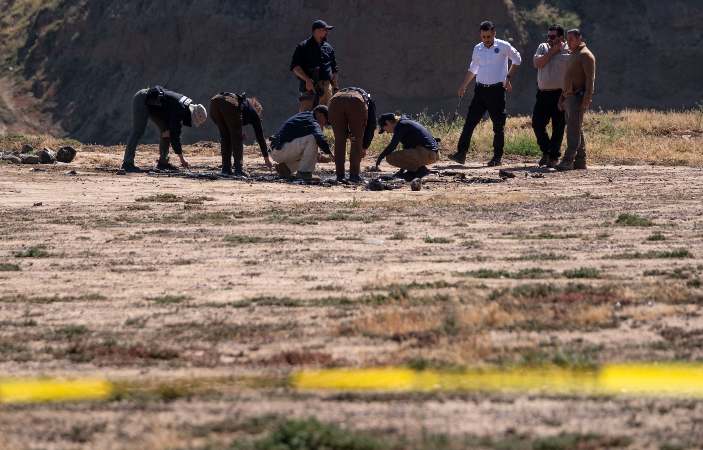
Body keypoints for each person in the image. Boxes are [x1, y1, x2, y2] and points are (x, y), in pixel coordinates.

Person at [449, 20, 522, 167]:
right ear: (480, 35)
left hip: (496, 91)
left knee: (498, 126)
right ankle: (461, 154)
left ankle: (497, 158)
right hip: (480, 91)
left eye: (488, 36)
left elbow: (517, 60)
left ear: (494, 33)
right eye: (483, 37)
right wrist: (463, 85)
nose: (486, 40)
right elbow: (473, 68)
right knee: (469, 123)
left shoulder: (503, 46)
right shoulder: (478, 48)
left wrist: (507, 78)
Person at [122, 86, 207, 173]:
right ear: (192, 114)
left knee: (167, 131)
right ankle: (127, 163)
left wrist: (170, 132)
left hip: (155, 105)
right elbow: (175, 136)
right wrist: (182, 159)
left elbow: (174, 129)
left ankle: (163, 163)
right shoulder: (180, 108)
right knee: (138, 131)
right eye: (193, 119)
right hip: (143, 99)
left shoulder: (185, 105)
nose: (191, 121)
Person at [556, 29, 596, 171]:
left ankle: (568, 160)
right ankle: (580, 160)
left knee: (573, 130)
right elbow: (568, 78)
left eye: (572, 39)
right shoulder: (573, 54)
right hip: (569, 97)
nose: (569, 42)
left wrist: (586, 100)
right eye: (568, 39)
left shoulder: (586, 55)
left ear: (579, 38)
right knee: (576, 128)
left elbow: (590, 81)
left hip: (578, 98)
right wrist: (562, 97)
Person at [532, 24, 570, 168]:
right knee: (537, 123)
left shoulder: (568, 50)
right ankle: (547, 151)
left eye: (553, 37)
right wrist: (552, 52)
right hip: (543, 93)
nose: (549, 39)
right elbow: (537, 63)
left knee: (558, 126)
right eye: (548, 36)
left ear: (561, 37)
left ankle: (553, 157)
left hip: (560, 94)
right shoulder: (543, 47)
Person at [209, 92, 272, 176]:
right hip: (229, 102)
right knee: (237, 138)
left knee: (225, 137)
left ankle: (226, 169)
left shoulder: (244, 105)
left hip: (214, 103)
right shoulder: (254, 112)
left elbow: (233, 121)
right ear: (257, 109)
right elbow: (260, 136)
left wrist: (236, 131)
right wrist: (266, 158)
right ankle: (239, 169)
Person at [269, 105, 332, 181]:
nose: (324, 124)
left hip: (277, 149)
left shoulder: (305, 115)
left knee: (313, 151)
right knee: (313, 138)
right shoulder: (313, 121)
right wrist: (330, 153)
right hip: (280, 149)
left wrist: (318, 155)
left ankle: (286, 168)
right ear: (320, 115)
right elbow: (319, 138)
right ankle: (304, 173)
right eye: (326, 121)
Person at [328, 87, 377, 183]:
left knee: (339, 140)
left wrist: (345, 133)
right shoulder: (369, 99)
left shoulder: (342, 93)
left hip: (334, 100)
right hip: (356, 101)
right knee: (356, 140)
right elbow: (372, 125)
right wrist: (364, 146)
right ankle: (354, 175)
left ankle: (339, 175)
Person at [290, 20, 339, 112]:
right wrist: (307, 79)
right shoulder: (303, 47)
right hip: (310, 88)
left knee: (327, 117)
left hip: (327, 88)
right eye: (324, 30)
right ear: (316, 31)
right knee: (306, 116)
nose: (326, 32)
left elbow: (334, 69)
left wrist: (335, 87)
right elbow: (295, 67)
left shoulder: (328, 47)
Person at [374, 113, 439, 180]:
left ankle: (421, 170)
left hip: (426, 153)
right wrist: (401, 171)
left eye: (384, 129)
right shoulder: (406, 123)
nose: (387, 132)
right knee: (402, 153)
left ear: (387, 122)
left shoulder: (401, 125)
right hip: (432, 154)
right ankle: (414, 172)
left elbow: (392, 145)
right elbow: (407, 153)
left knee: (390, 157)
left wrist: (380, 157)